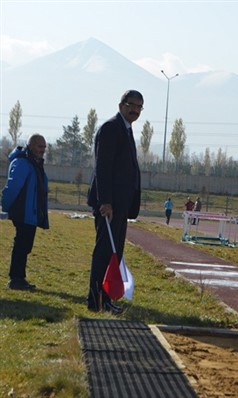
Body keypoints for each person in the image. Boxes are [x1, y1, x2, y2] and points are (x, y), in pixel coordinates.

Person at [87, 90, 143, 314]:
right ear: (121, 105)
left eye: (139, 107)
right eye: (131, 105)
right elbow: (103, 167)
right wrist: (106, 202)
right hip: (109, 206)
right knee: (104, 252)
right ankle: (95, 301)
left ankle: (106, 298)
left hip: (121, 206)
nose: (135, 110)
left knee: (115, 253)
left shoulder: (126, 129)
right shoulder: (111, 128)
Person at [1, 134, 49, 290]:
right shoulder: (22, 163)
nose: (43, 150)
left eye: (44, 147)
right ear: (31, 145)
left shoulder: (34, 163)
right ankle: (16, 279)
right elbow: (12, 187)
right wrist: (5, 206)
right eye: (40, 146)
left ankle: (19, 277)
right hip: (23, 212)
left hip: (31, 213)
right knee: (22, 244)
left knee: (25, 245)